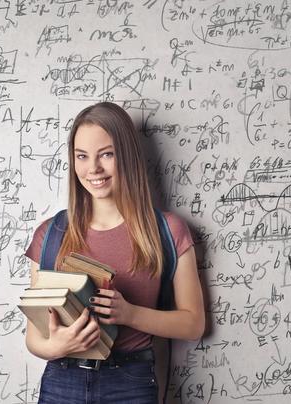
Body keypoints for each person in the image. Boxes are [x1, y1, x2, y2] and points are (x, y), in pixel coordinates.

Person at [24, 102, 205, 404]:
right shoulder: (50, 234)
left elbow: (193, 324)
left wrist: (131, 314)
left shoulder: (168, 231)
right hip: (61, 381)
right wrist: (58, 346)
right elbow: (34, 338)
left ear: (128, 156)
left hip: (130, 384)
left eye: (106, 154)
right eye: (82, 156)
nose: (93, 168)